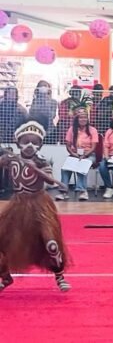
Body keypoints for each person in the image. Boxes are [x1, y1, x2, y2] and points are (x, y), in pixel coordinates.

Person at [0, 117, 71, 292]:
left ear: (40, 145)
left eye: (34, 142)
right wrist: (3, 161)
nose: (30, 146)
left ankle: (59, 275)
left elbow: (51, 181)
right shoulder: (12, 160)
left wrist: (36, 170)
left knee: (51, 244)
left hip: (39, 205)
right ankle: (5, 277)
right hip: (18, 205)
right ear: (18, 143)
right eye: (26, 142)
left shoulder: (41, 162)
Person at [57, 99, 97, 202]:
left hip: (89, 155)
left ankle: (83, 191)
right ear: (76, 119)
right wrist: (74, 154)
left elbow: (93, 147)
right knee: (65, 168)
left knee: (82, 165)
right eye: (81, 117)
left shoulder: (93, 130)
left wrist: (85, 155)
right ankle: (63, 192)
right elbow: (68, 146)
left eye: (85, 117)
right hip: (74, 154)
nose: (83, 119)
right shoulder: (71, 129)